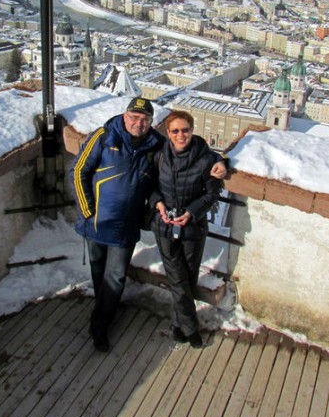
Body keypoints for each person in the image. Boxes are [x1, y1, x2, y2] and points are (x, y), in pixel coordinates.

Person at [71, 98, 225, 352]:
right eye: (134, 117)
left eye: (144, 119)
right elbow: (79, 171)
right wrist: (88, 211)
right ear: (124, 115)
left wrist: (223, 160)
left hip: (126, 224)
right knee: (99, 273)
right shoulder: (104, 135)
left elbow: (191, 149)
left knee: (116, 276)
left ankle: (100, 325)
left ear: (152, 122)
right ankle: (104, 310)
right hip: (97, 222)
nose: (138, 123)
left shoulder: (156, 145)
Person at [149, 110, 223, 349]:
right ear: (168, 133)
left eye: (186, 130)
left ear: (193, 130)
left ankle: (179, 326)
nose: (181, 135)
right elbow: (148, 185)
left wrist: (190, 212)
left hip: (193, 227)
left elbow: (212, 193)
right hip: (165, 225)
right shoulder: (159, 156)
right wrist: (159, 204)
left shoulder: (207, 158)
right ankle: (191, 329)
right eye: (175, 131)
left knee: (187, 277)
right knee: (178, 278)